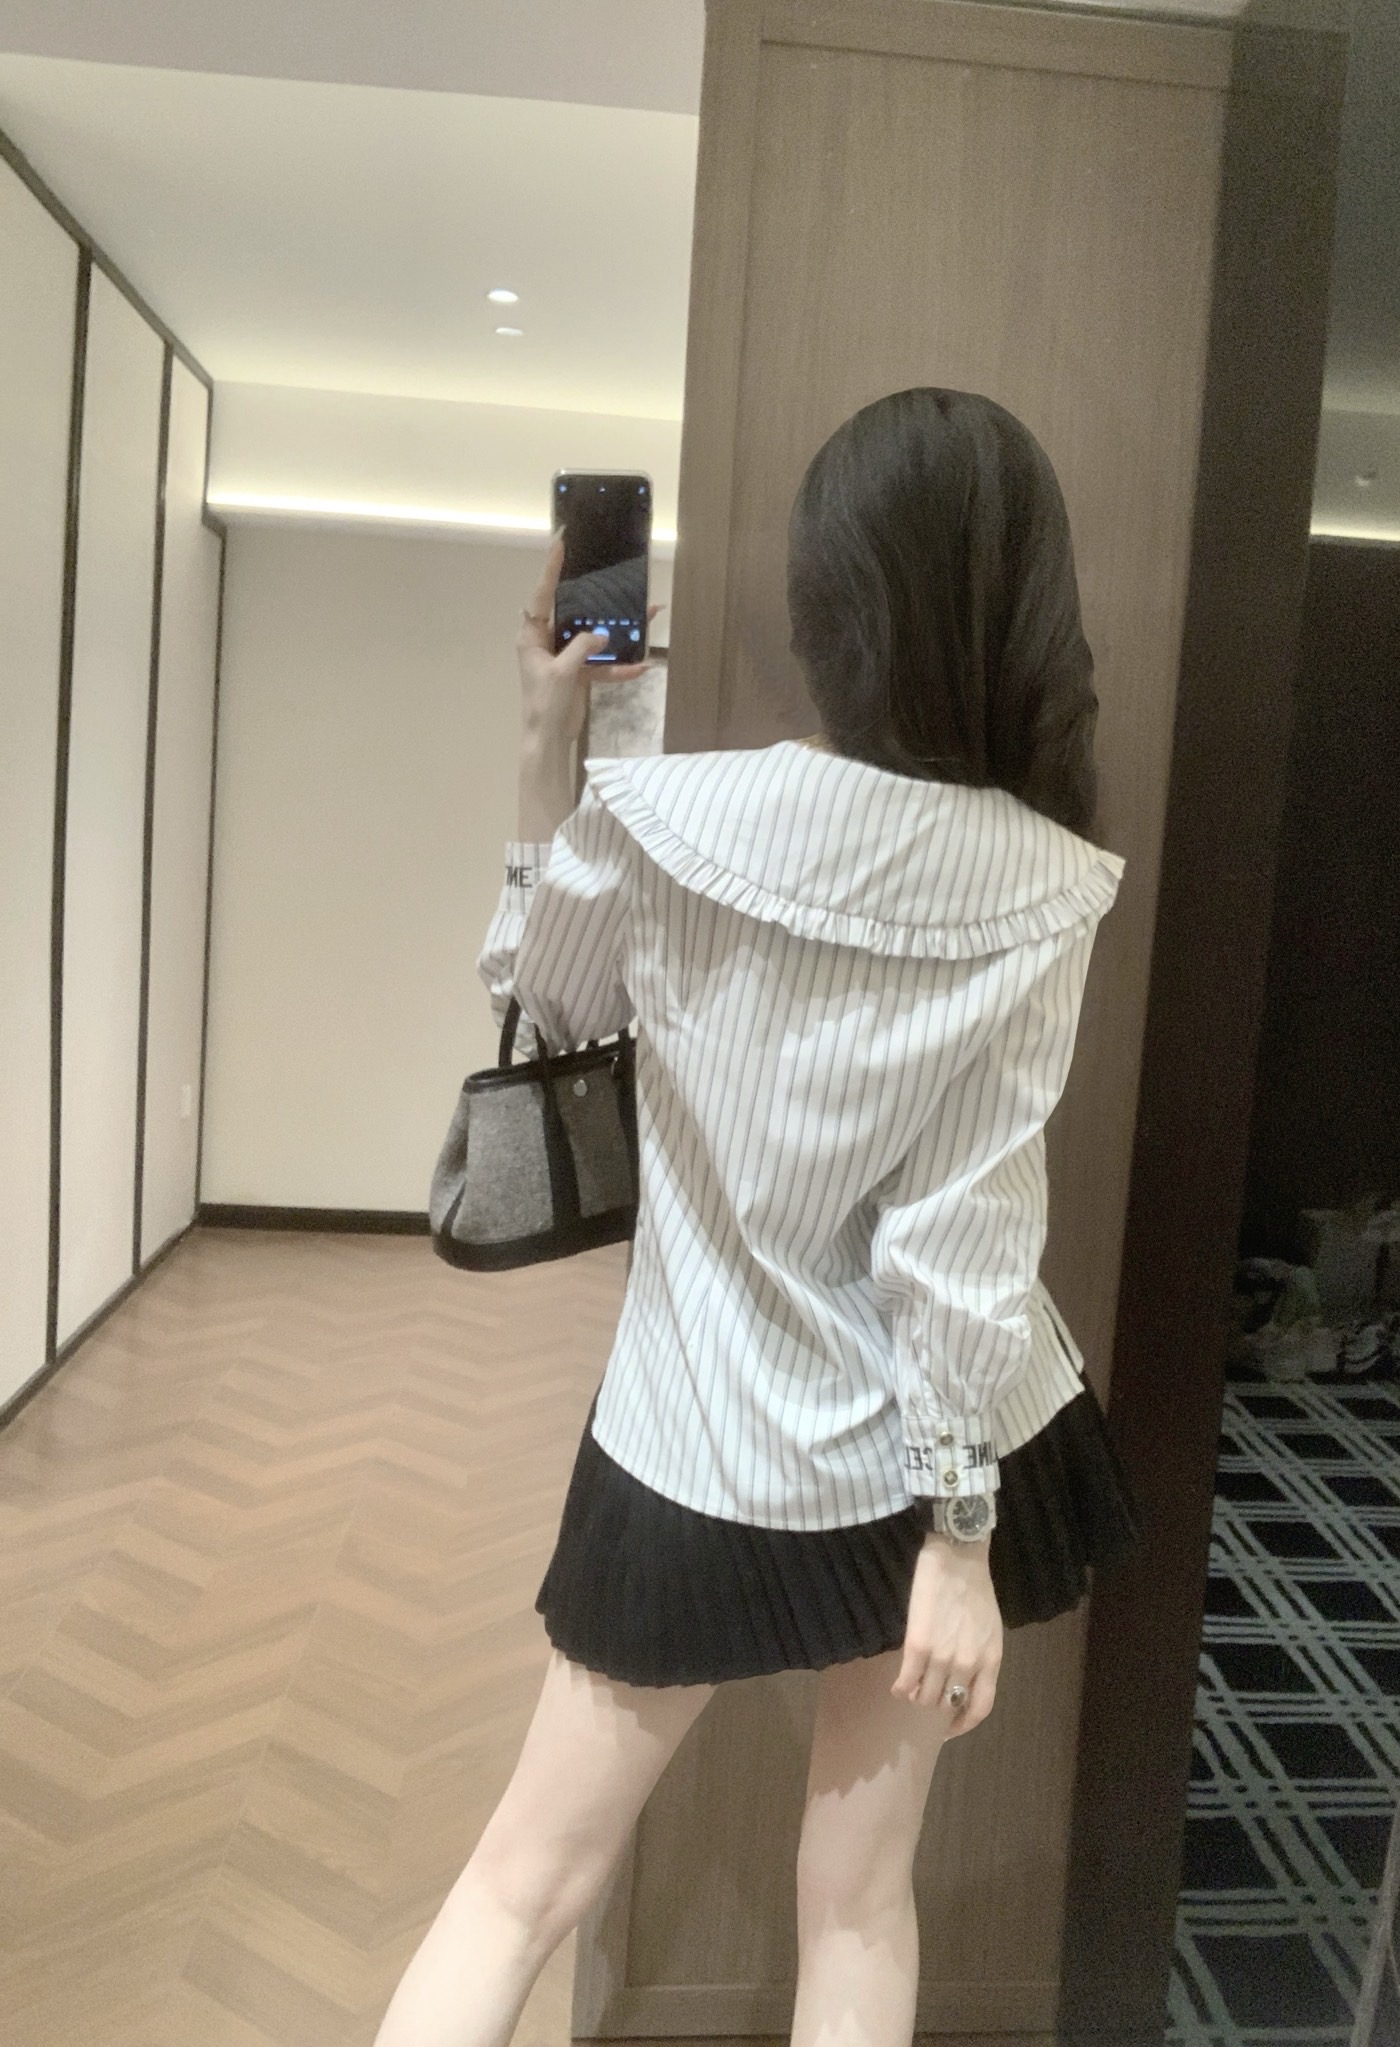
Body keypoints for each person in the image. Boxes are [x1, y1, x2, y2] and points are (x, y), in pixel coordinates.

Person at [373, 388, 1143, 2047]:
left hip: (694, 1432)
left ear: (821, 598)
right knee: (858, 1903)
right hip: (928, 1458)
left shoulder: (665, 819)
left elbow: (543, 1010)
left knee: (517, 1890)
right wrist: (960, 1541)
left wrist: (549, 747)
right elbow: (964, 1238)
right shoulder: (1050, 881)